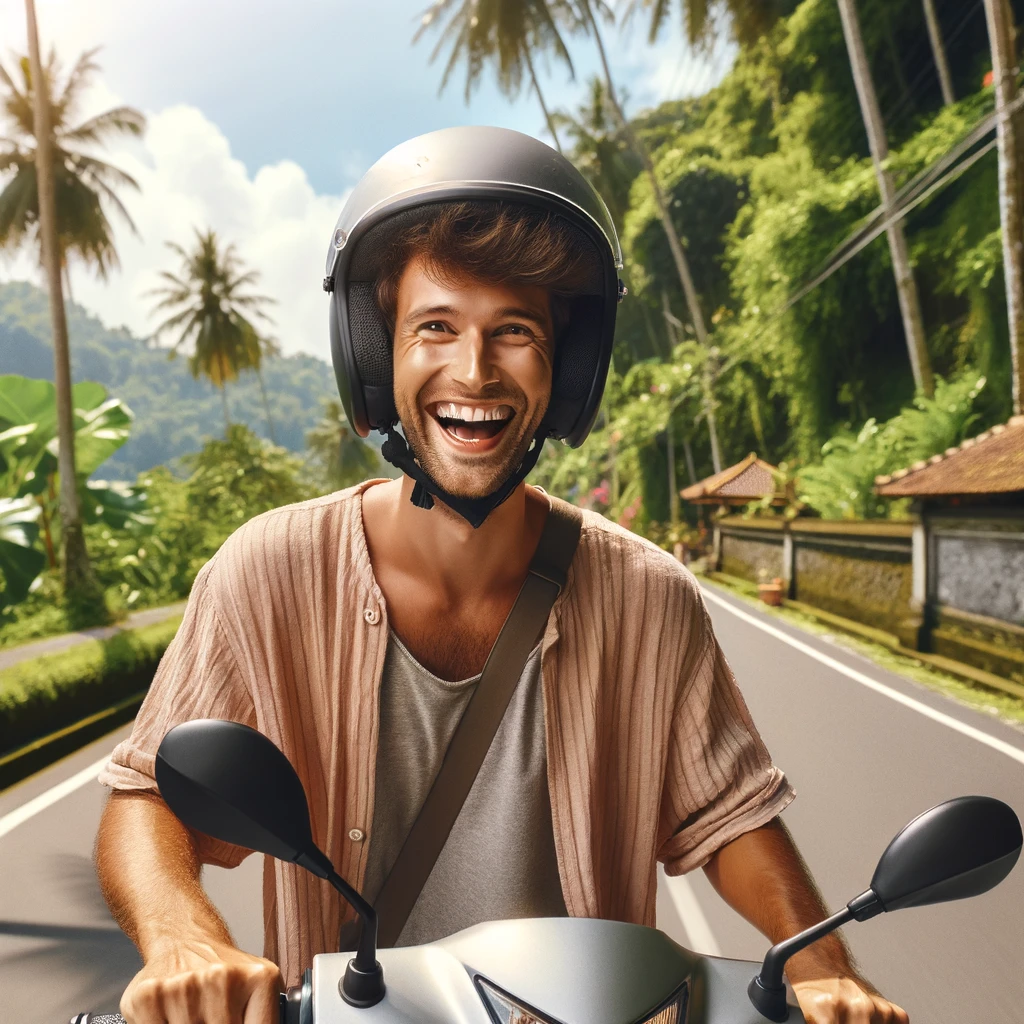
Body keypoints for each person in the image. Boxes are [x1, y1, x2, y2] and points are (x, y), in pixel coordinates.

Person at [95, 126, 908, 1024]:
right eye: (434, 327)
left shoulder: (648, 598)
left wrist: (823, 965)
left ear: (567, 373)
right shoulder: (267, 574)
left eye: (514, 332)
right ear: (375, 355)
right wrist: (182, 935)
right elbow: (146, 801)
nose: (474, 371)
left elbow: (731, 817)